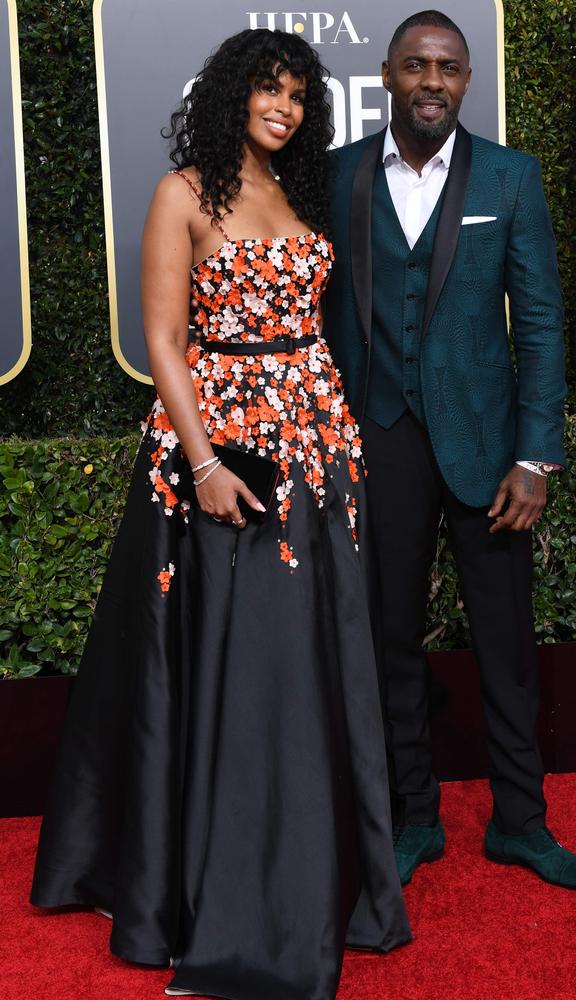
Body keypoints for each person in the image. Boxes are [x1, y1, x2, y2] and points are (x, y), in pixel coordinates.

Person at [30, 28, 411, 999]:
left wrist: (330, 436)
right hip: (220, 461)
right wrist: (201, 460)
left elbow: (311, 332)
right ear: (231, 94)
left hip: (317, 461)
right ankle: (218, 900)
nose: (281, 107)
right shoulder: (182, 192)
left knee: (304, 667)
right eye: (265, 90)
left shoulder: (299, 194)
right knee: (234, 672)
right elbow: (161, 339)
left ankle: (309, 878)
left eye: (295, 95)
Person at [324, 10, 576, 892]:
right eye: (416, 66)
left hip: (488, 450)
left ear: (468, 79)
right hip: (381, 441)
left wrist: (537, 456)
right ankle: (415, 818)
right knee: (390, 640)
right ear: (386, 75)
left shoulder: (512, 179)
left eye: (448, 67)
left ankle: (521, 822)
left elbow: (543, 327)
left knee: (504, 641)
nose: (432, 82)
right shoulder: (335, 178)